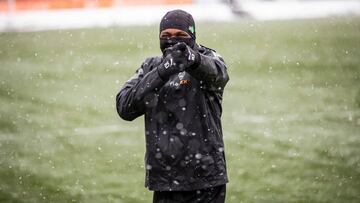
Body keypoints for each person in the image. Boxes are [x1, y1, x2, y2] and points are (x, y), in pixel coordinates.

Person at [116, 9, 229, 203]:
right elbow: (125, 107)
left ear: (192, 36)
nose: (172, 40)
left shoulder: (209, 58)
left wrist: (192, 60)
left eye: (181, 35)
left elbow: (218, 74)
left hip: (205, 179)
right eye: (165, 36)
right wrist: (162, 71)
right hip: (165, 179)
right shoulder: (151, 66)